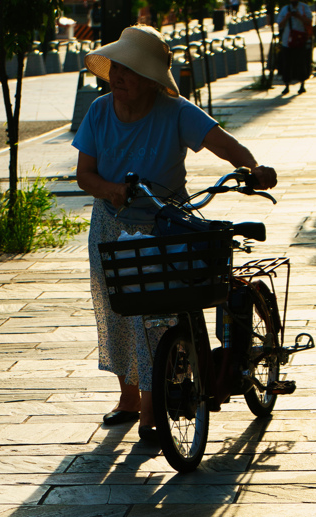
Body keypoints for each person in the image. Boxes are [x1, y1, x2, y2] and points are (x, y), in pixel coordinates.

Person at [73, 25, 277, 444]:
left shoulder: (176, 111)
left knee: (157, 316)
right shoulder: (98, 111)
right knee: (117, 312)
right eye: (116, 68)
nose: (118, 77)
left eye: (129, 70)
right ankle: (128, 398)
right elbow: (84, 175)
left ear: (150, 79)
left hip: (164, 224)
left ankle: (152, 406)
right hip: (110, 226)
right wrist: (111, 190)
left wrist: (254, 168)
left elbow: (222, 142)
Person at [277, 0, 312, 95]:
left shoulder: (304, 8)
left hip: (301, 40)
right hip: (287, 40)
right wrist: (287, 17)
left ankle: (302, 84)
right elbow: (280, 24)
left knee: (301, 63)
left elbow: (309, 22)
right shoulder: (285, 9)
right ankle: (286, 85)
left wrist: (298, 16)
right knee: (287, 63)